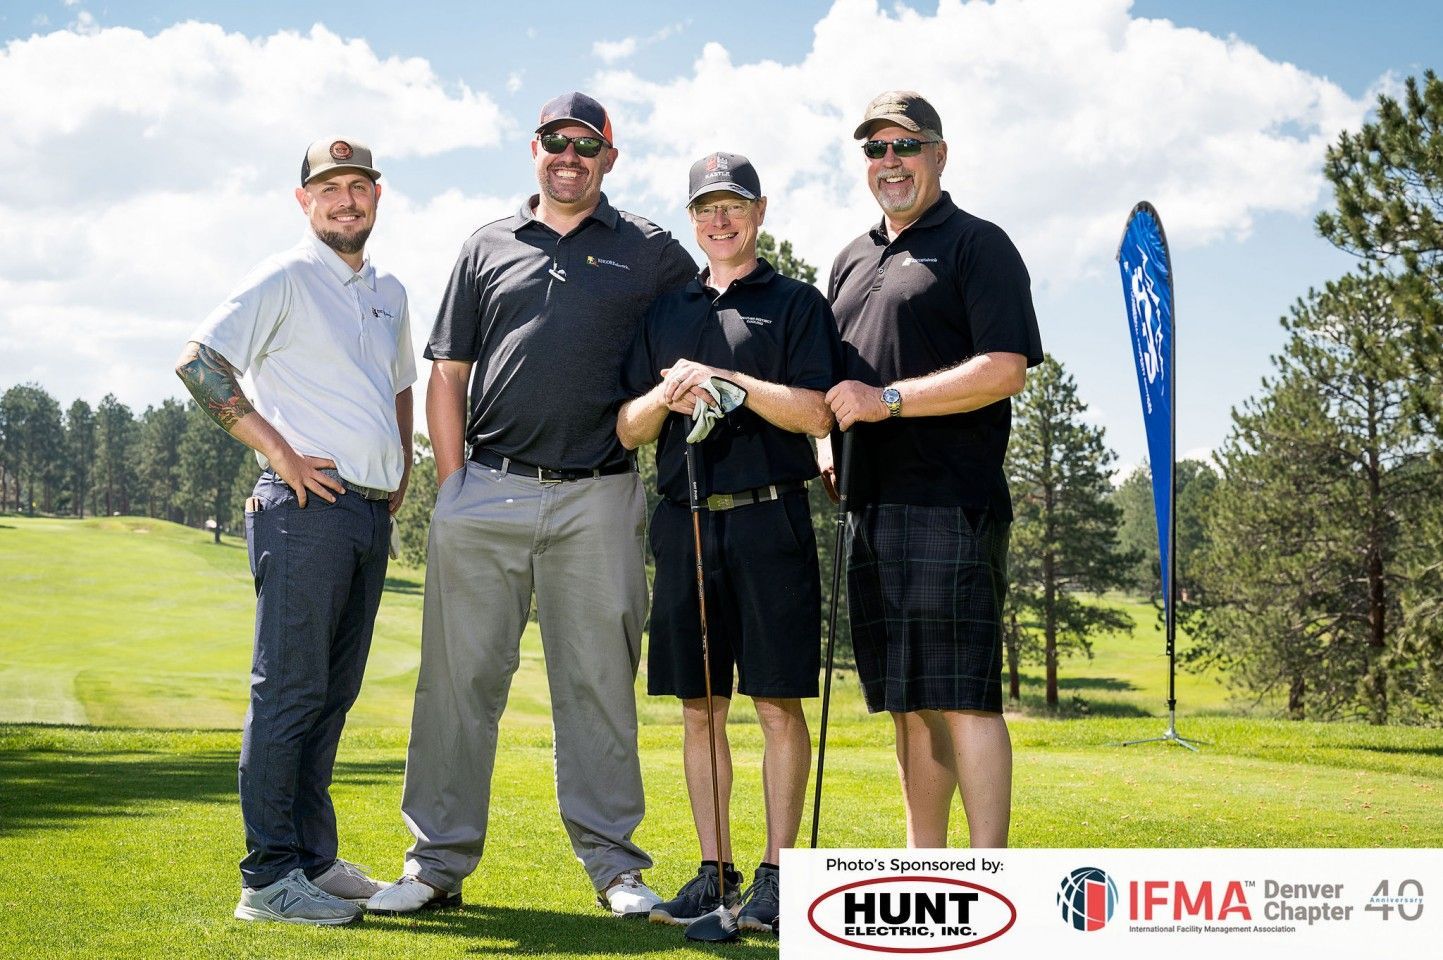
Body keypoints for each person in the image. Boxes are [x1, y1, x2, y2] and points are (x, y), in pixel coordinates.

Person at [367, 92, 698, 918]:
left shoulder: (651, 250)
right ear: (534, 149)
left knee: (597, 688)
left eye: (587, 145)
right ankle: (436, 863)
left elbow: (708, 325)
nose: (569, 156)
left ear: (608, 160)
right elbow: (448, 373)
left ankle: (616, 869)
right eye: (556, 141)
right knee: (457, 686)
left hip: (601, 495)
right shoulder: (486, 245)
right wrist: (452, 488)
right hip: (488, 490)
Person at [175, 137, 415, 924]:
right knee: (288, 693)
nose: (345, 201)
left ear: (377, 195)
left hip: (366, 512)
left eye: (358, 187)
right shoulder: (284, 277)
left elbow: (399, 384)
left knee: (331, 696)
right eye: (329, 188)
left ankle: (313, 859)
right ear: (304, 200)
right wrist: (279, 450)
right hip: (305, 509)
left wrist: (401, 468)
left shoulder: (389, 291)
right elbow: (200, 363)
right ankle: (269, 879)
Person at [617, 152, 839, 934]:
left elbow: (815, 414)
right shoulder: (663, 310)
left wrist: (734, 383)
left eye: (733, 206)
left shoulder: (796, 303)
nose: (720, 220)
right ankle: (715, 873)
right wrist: (662, 397)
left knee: (776, 704)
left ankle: (779, 878)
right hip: (685, 519)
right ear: (692, 219)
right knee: (698, 708)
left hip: (770, 518)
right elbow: (628, 426)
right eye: (706, 208)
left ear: (760, 211)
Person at [821, 91, 1043, 849]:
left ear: (938, 155)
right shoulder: (849, 260)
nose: (889, 162)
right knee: (909, 703)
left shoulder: (978, 245)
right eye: (875, 150)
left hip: (951, 501)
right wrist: (826, 440)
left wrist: (884, 401)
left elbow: (1003, 369)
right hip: (870, 507)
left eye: (904, 146)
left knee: (964, 701)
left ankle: (992, 878)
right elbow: (834, 381)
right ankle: (927, 865)